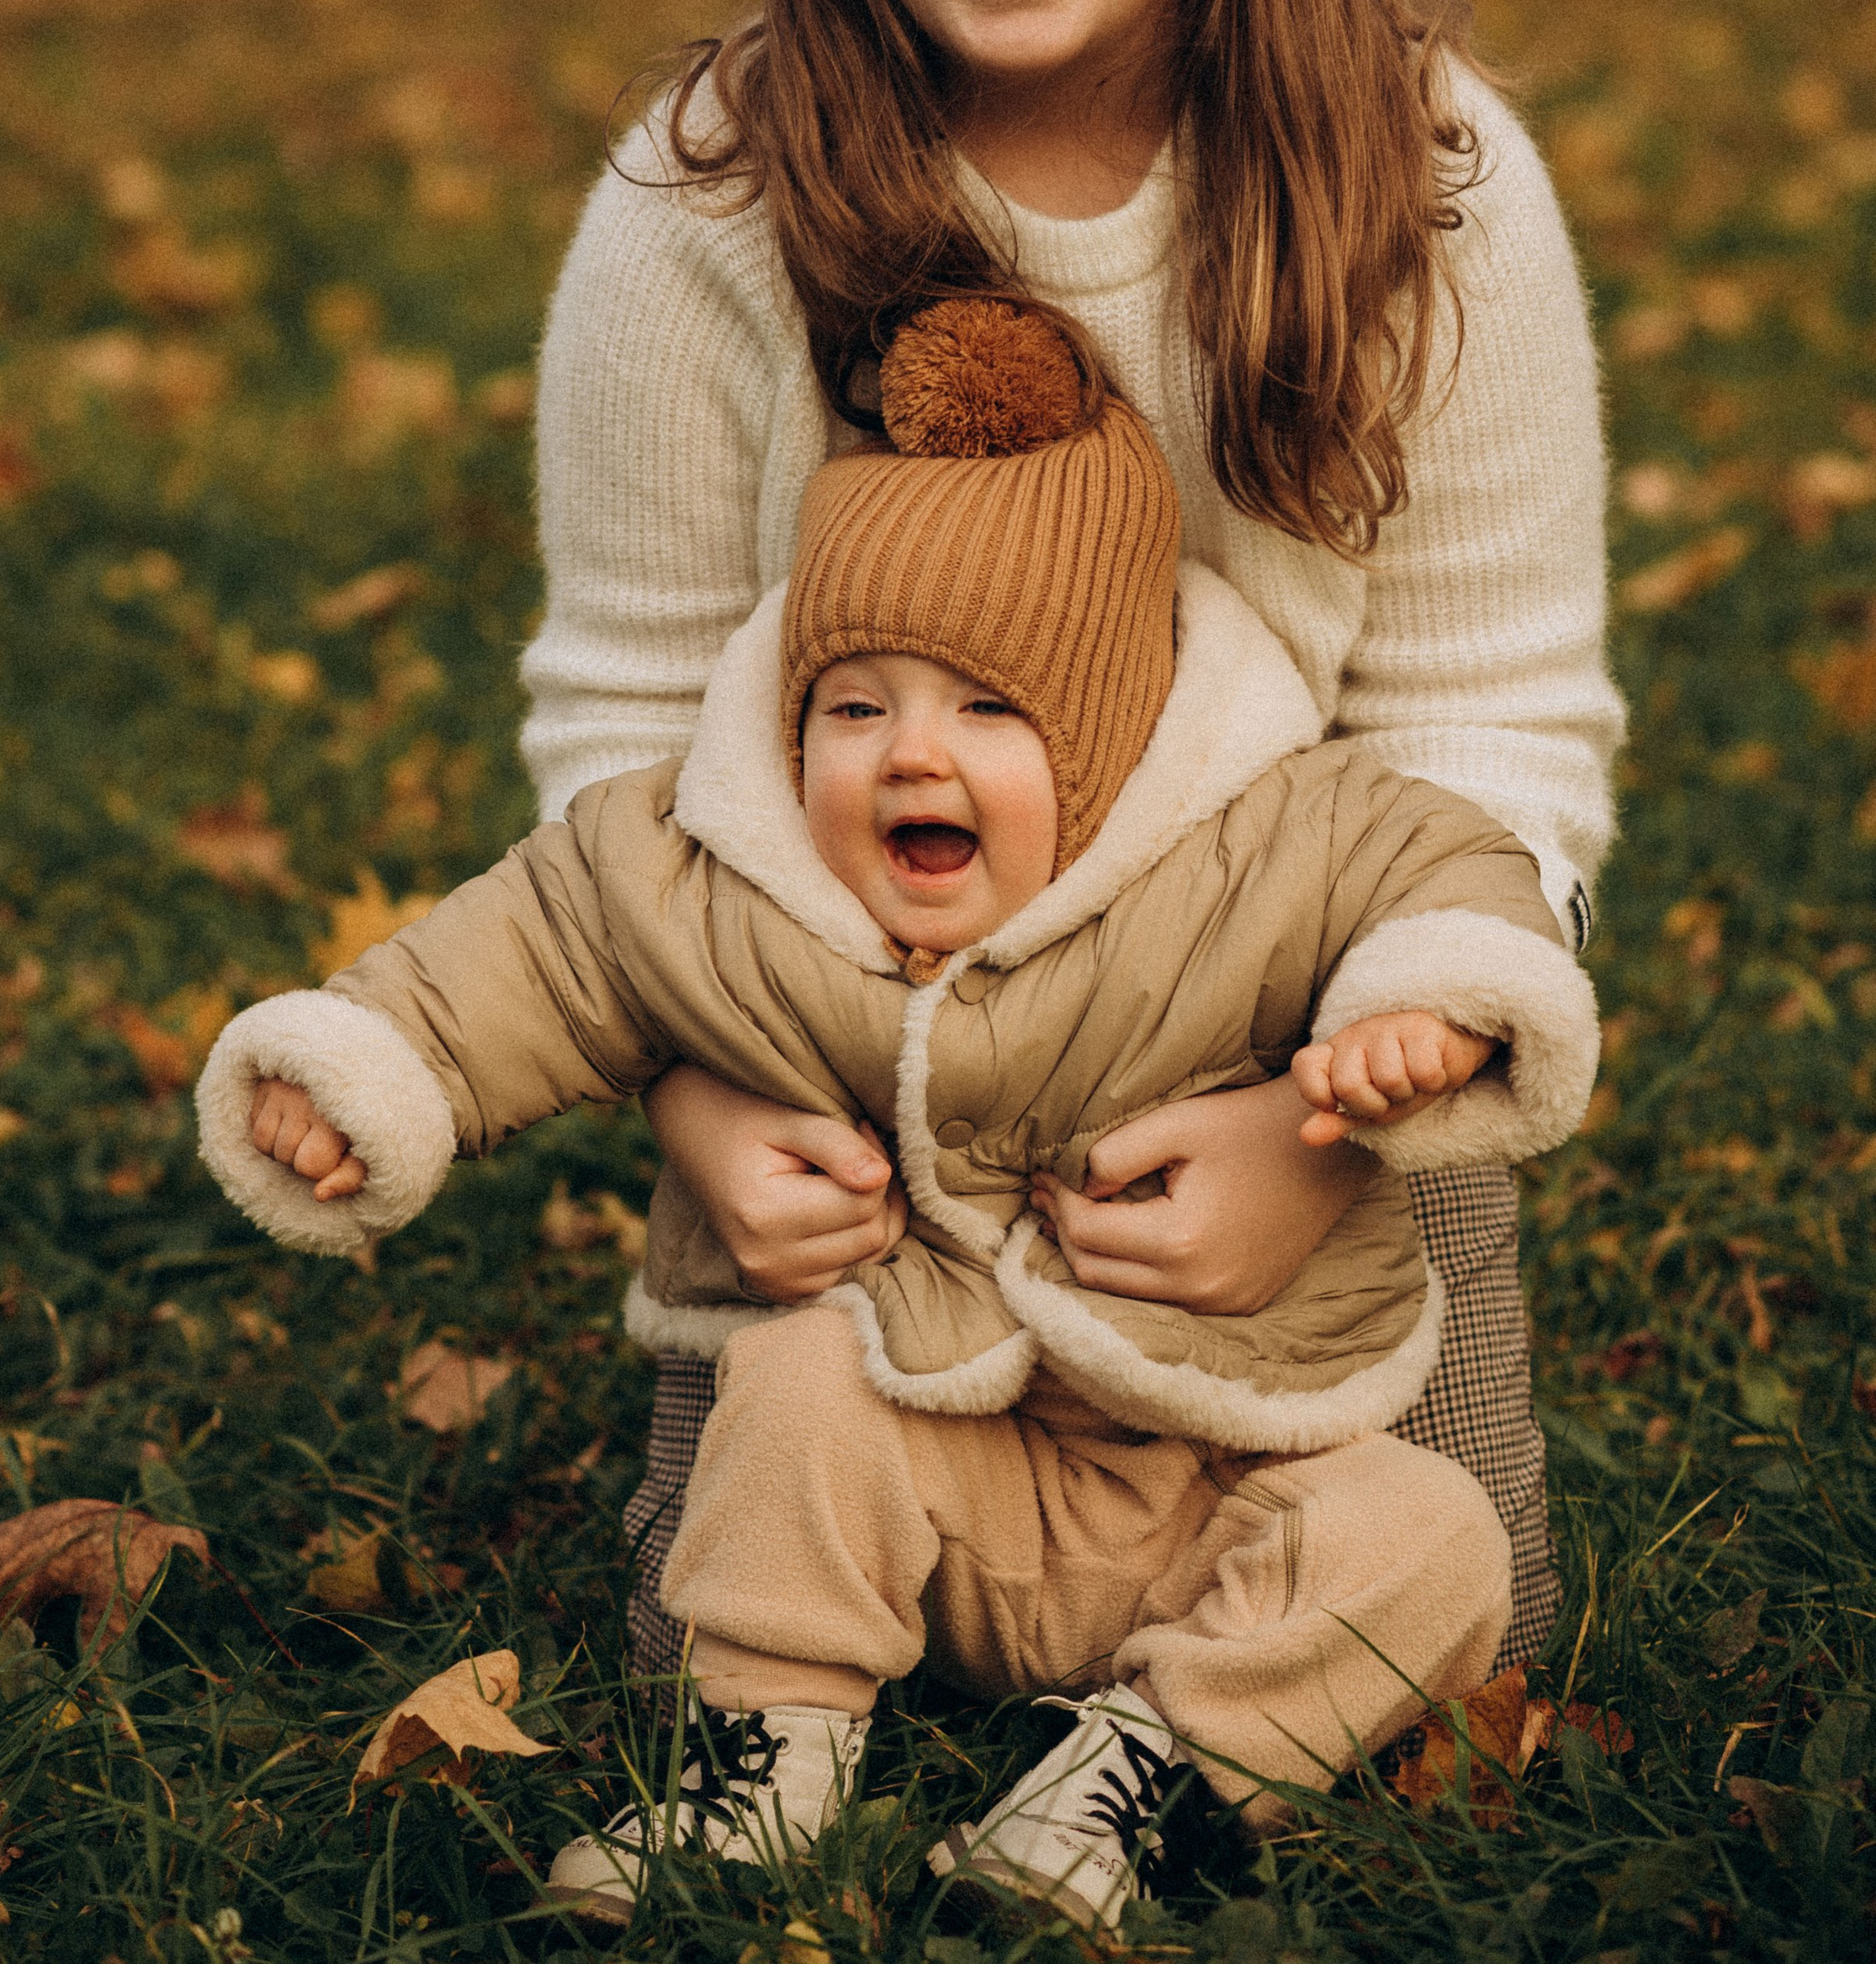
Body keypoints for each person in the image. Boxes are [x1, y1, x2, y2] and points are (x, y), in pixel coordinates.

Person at [517, 0, 1623, 1675]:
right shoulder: (704, 204)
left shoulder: (1432, 185)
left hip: (1302, 1054)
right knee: (700, 1632)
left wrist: (1345, 1114)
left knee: (1456, 1599)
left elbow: (1494, 719)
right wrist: (705, 1090)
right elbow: (623, 726)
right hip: (855, 1068)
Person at [196, 299, 1600, 1926]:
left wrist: (1419, 1013)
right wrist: (361, 1072)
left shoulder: (1261, 845)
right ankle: (763, 1756)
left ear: (1112, 735)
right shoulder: (715, 872)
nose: (909, 755)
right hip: (932, 1471)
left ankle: (1148, 1775)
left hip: (1220, 1479)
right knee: (797, 1369)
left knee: (1431, 1536)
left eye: (991, 712)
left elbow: (1444, 867)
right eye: (856, 705)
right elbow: (529, 948)